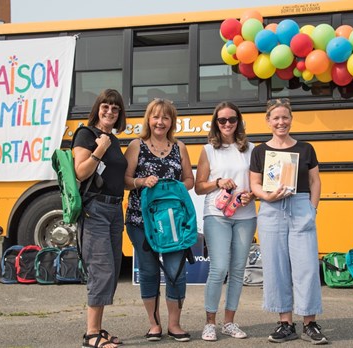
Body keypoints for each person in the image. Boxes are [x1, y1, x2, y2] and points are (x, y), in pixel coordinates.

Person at [249, 98, 328, 345]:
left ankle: (310, 323)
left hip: (300, 205)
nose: (281, 122)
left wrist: (312, 208)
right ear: (268, 121)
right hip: (271, 209)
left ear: (291, 119)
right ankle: (285, 323)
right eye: (276, 118)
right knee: (275, 267)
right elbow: (254, 184)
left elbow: (315, 181)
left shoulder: (305, 149)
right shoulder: (260, 151)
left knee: (306, 266)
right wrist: (266, 196)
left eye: (285, 117)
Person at [124, 98, 195, 342]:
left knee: (176, 272)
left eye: (165, 117)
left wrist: (172, 187)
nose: (160, 122)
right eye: (155, 117)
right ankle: (154, 324)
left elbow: (189, 180)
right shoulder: (136, 145)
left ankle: (175, 325)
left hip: (174, 223)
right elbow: (125, 180)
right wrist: (142, 182)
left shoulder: (179, 147)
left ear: (171, 121)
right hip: (140, 221)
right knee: (149, 271)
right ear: (148, 119)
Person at [194, 101, 256, 341]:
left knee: (238, 270)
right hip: (217, 215)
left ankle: (229, 322)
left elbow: (256, 182)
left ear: (239, 121)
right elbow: (199, 187)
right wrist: (218, 182)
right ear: (216, 123)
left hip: (246, 215)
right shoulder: (209, 150)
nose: (228, 124)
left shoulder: (251, 149)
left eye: (232, 119)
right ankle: (210, 323)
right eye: (222, 120)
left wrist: (251, 194)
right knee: (219, 268)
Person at [73, 89, 128, 348]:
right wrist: (99, 150)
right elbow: (81, 172)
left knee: (112, 268)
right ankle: (91, 334)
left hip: (115, 211)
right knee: (100, 269)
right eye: (105, 107)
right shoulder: (86, 134)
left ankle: (98, 328)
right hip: (94, 210)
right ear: (98, 109)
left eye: (115, 109)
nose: (110, 112)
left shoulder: (113, 139)